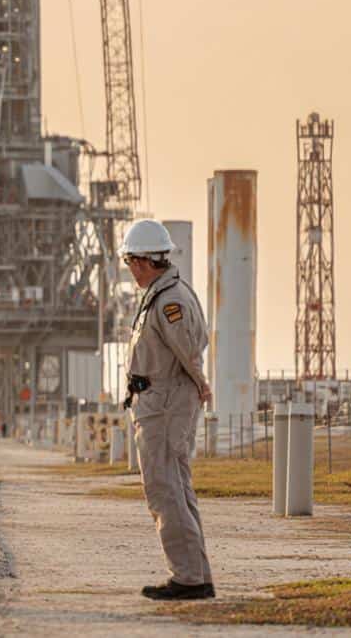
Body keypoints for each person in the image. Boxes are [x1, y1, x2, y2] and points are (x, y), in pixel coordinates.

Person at [120, 219, 216, 601]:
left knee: (166, 490)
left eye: (130, 264)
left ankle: (190, 578)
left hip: (165, 405)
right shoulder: (161, 294)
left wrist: (201, 383)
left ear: (143, 262)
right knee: (173, 488)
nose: (131, 272)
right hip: (157, 403)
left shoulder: (170, 299)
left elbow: (189, 348)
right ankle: (194, 573)